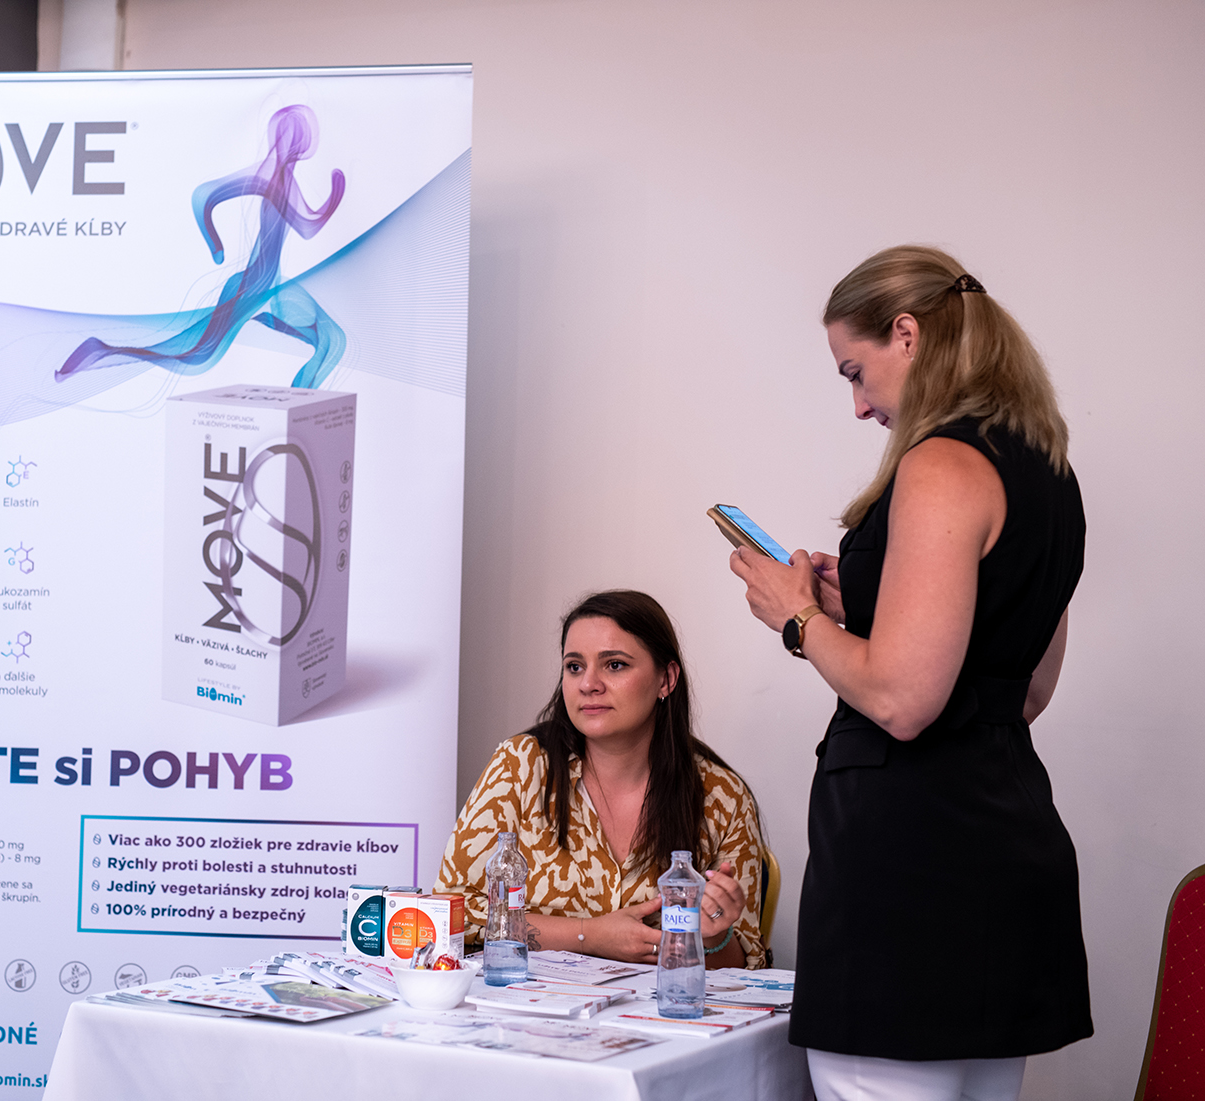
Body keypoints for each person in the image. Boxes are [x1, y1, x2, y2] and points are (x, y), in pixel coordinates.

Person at [727, 246, 1092, 1100]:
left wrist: (797, 615)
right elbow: (1023, 691)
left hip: (910, 874)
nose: (858, 405)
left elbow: (901, 699)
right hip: (1004, 852)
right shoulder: (1049, 473)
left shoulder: (939, 463)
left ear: (906, 333)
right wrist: (864, 605)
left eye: (855, 372)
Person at [435, 589, 767, 969]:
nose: (588, 684)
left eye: (614, 665)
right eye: (574, 667)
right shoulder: (520, 765)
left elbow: (747, 961)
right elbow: (450, 910)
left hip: (659, 1006)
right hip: (533, 1003)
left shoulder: (722, 795)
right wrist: (589, 935)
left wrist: (712, 935)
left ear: (666, 679)